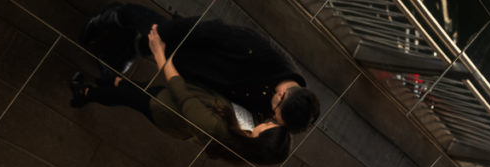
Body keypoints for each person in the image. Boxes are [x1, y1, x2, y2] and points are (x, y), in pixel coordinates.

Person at [80, 3, 320, 133]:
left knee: (148, 49)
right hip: (193, 48)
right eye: (276, 115)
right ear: (280, 95)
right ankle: (114, 15)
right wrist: (166, 35)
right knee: (152, 31)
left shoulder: (285, 102)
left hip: (197, 73)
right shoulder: (265, 56)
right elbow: (212, 31)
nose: (273, 120)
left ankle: (126, 48)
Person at [70, 25, 290, 165]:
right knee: (131, 89)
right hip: (171, 103)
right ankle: (109, 81)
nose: (270, 121)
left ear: (259, 140)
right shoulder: (245, 132)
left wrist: (159, 54)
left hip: (164, 107)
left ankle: (85, 93)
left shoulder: (217, 130)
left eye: (270, 126)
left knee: (126, 97)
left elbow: (184, 97)